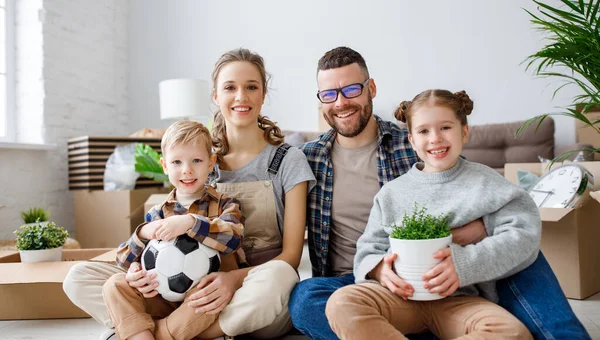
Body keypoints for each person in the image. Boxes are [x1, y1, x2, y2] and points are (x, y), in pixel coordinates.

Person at [289, 46, 590, 340]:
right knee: (307, 298)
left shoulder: (412, 144)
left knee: (522, 253)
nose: (341, 102)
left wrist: (460, 244)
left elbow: (463, 188)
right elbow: (366, 247)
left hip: (453, 280)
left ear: (371, 88)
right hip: (372, 282)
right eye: (329, 94)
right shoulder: (308, 158)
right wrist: (380, 268)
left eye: (351, 89)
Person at [63, 48, 316, 340]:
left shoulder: (287, 160)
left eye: (251, 87)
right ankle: (176, 326)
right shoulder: (196, 158)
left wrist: (231, 280)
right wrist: (136, 271)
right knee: (79, 278)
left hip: (251, 287)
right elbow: (155, 239)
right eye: (230, 87)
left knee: (280, 276)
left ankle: (151, 332)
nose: (241, 97)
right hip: (180, 290)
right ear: (215, 96)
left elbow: (292, 257)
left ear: (263, 93)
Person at [326, 89, 539, 339]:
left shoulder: (487, 183)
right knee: (342, 302)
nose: (435, 138)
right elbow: (368, 249)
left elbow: (524, 235)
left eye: (445, 128)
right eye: (424, 131)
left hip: (459, 301)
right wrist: (379, 270)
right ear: (412, 141)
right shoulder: (391, 193)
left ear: (464, 132)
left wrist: (465, 264)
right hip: (399, 298)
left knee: (510, 332)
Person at [102, 120, 246, 340]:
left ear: (210, 163)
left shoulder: (226, 204)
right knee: (114, 285)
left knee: (206, 297)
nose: (186, 170)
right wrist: (135, 268)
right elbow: (123, 259)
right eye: (177, 162)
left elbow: (233, 238)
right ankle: (143, 334)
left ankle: (149, 334)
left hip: (204, 297)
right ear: (165, 166)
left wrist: (191, 223)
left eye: (196, 160)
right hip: (162, 296)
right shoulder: (157, 213)